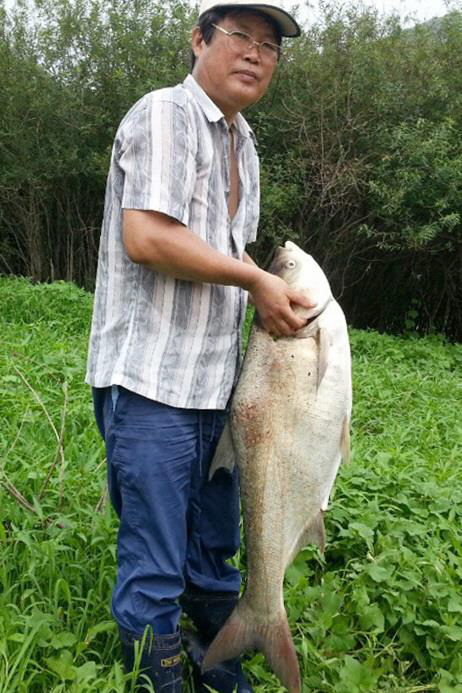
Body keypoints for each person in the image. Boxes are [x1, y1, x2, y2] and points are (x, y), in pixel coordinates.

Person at [86, 2, 308, 691]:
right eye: (240, 36)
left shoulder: (243, 143)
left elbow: (225, 249)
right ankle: (159, 677)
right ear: (199, 39)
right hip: (151, 383)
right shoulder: (166, 114)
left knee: (214, 553)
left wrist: (270, 289)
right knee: (155, 560)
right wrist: (256, 280)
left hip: (219, 391)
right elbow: (149, 237)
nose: (256, 53)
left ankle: (220, 664)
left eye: (270, 45)